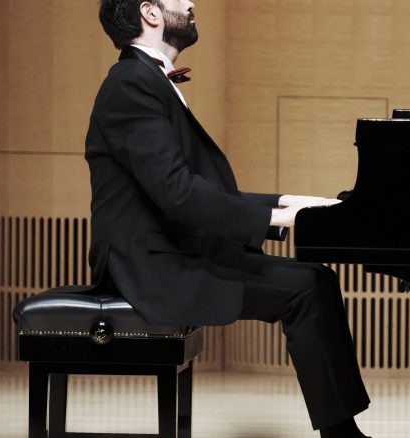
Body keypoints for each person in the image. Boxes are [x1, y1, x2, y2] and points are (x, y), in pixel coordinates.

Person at [86, 1, 371, 436]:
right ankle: (343, 436)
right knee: (308, 288)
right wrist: (280, 216)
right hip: (149, 267)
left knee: (316, 280)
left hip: (172, 251)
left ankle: (343, 433)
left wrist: (294, 202)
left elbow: (197, 191)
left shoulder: (143, 79)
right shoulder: (130, 82)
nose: (191, 3)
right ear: (150, 12)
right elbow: (178, 193)